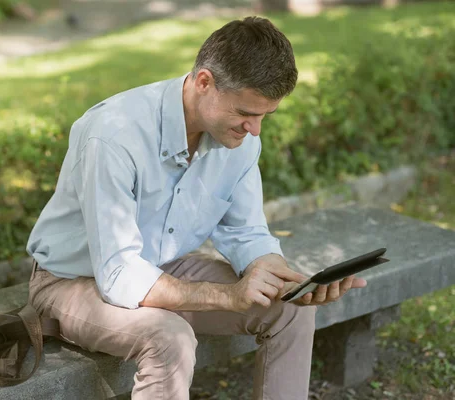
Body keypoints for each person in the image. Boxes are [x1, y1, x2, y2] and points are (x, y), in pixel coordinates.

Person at [26, 16, 367, 400]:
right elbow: (119, 275)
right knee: (169, 338)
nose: (255, 130)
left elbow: (246, 232)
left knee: (289, 309)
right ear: (204, 82)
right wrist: (227, 295)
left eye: (264, 116)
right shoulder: (114, 135)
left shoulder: (239, 140)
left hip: (162, 268)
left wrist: (284, 279)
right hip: (72, 282)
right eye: (245, 113)